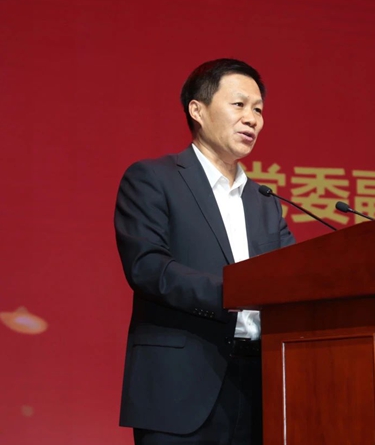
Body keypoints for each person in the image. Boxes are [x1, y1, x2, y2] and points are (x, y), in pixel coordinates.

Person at [114, 58, 295, 445]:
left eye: (259, 109)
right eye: (239, 105)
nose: (252, 119)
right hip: (180, 387)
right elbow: (149, 268)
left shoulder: (264, 202)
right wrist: (235, 292)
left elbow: (293, 275)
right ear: (197, 110)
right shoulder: (153, 179)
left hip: (259, 389)